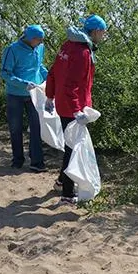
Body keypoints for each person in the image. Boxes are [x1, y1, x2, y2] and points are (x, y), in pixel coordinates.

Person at [45, 14, 107, 205]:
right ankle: (67, 194)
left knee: (71, 146)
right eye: (103, 32)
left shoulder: (67, 45)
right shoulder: (82, 53)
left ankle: (61, 181)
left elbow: (53, 72)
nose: (103, 36)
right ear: (96, 31)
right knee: (72, 149)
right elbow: (72, 84)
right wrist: (77, 111)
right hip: (73, 108)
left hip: (66, 104)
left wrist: (50, 95)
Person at [0, 24, 49, 172]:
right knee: (15, 128)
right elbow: (5, 73)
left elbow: (39, 67)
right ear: (30, 38)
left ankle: (37, 162)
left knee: (36, 127)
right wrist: (23, 84)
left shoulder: (40, 48)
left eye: (41, 40)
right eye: (38, 40)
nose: (40, 43)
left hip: (35, 94)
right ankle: (17, 160)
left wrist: (50, 78)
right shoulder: (12, 49)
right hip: (15, 95)